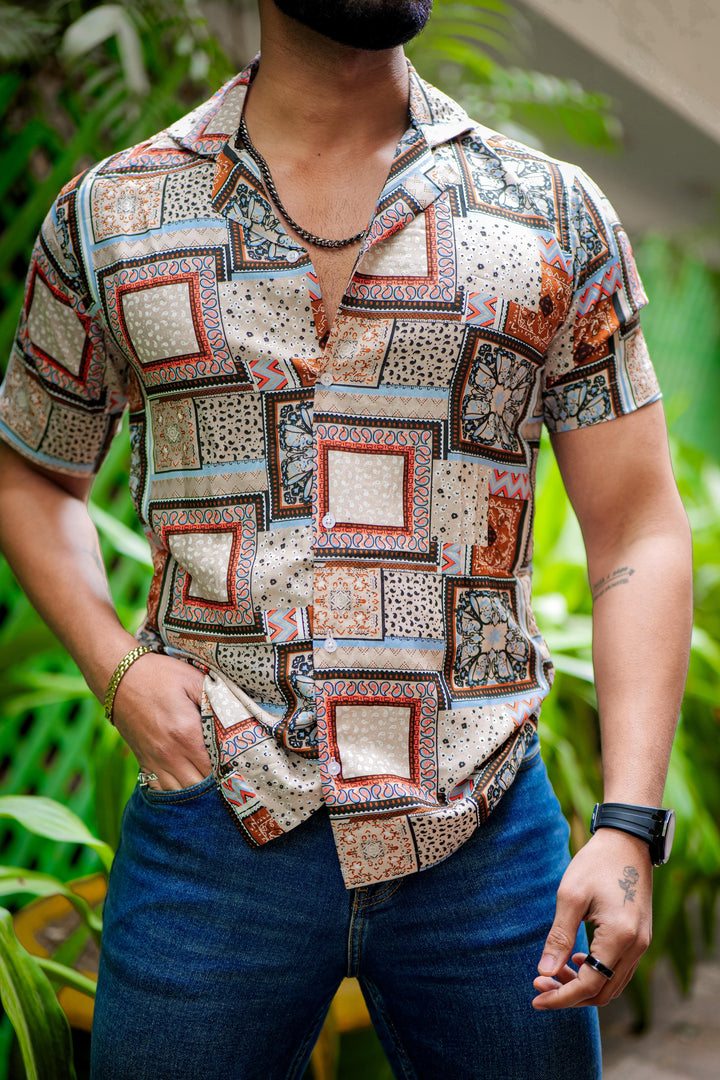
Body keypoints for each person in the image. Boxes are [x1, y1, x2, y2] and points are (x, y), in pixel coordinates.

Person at [0, 1, 693, 1077]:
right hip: (217, 817)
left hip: (486, 824)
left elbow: (637, 525)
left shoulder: (551, 216)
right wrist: (119, 668)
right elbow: (31, 465)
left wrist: (629, 822)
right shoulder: (115, 215)